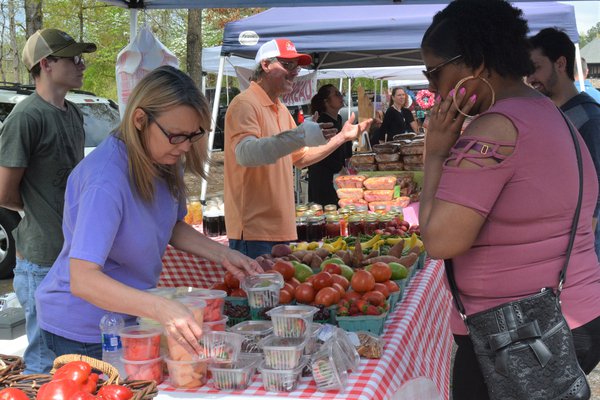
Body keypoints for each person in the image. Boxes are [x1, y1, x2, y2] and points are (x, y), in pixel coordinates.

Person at [418, 1, 600, 399]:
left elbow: (440, 241)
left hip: (515, 331)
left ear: (477, 63)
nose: (433, 88)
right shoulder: (550, 115)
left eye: (435, 72)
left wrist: (434, 154)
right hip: (565, 313)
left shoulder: (496, 128)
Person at [35, 66, 262, 360]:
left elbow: (169, 225)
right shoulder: (105, 181)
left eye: (192, 136)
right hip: (87, 329)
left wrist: (225, 255)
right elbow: (83, 280)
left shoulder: (165, 159)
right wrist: (160, 307)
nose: (184, 147)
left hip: (130, 317)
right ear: (140, 120)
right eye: (176, 136)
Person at [0, 29, 97, 373]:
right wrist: (36, 213)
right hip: (41, 262)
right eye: (73, 58)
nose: (81, 64)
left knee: (76, 360)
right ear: (47, 63)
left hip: (74, 256)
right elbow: (4, 193)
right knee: (44, 363)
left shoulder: (73, 114)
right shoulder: (26, 117)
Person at [223, 38, 371, 258]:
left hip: (281, 227)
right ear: (265, 65)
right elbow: (246, 154)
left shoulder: (280, 109)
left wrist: (341, 137)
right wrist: (300, 135)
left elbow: (301, 158)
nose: (294, 72)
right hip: (254, 232)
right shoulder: (244, 104)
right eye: (288, 65)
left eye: (297, 67)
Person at [527, 28, 600, 259]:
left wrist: (579, 253)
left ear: (560, 63)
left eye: (536, 68)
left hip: (583, 252)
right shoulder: (552, 114)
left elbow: (596, 191)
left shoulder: (588, 118)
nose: (529, 79)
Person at [307, 84, 353, 206]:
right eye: (337, 94)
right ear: (326, 101)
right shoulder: (323, 123)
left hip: (336, 176)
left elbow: (344, 148)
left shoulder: (338, 119)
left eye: (340, 94)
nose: (341, 97)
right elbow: (320, 153)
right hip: (323, 179)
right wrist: (340, 168)